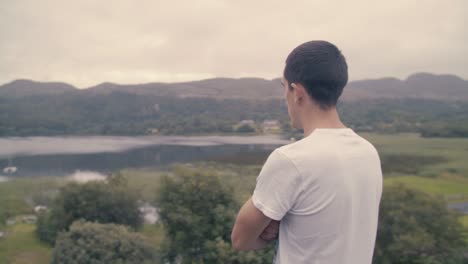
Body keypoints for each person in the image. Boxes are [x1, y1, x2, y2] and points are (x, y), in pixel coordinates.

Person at [231, 40, 383, 264]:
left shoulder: (292, 160)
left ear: (297, 92)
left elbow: (241, 239)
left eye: (285, 87)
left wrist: (273, 229)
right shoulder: (367, 152)